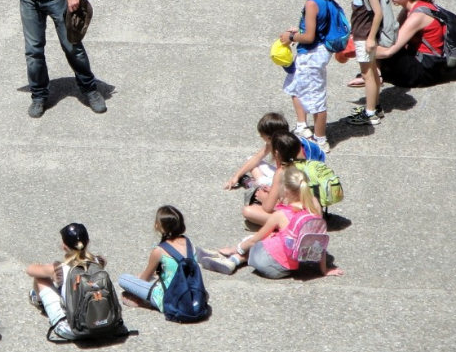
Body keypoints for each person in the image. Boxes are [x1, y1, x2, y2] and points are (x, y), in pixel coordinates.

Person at [199, 167, 344, 279]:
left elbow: (256, 239)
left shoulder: (280, 215)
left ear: (286, 190)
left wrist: (235, 248)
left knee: (262, 238)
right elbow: (319, 241)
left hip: (268, 265)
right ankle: (233, 260)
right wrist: (324, 270)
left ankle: (233, 259)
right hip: (290, 268)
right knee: (280, 235)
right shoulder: (315, 208)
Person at [279, 0, 339, 153]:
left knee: (316, 98)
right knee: (295, 85)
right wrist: (298, 29)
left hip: (311, 55)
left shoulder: (313, 3)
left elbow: (309, 36)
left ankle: (320, 140)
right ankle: (302, 126)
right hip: (317, 52)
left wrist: (290, 37)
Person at [118, 206, 210, 314]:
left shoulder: (159, 251)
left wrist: (139, 277)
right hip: (192, 292)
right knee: (157, 277)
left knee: (123, 279)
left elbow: (144, 279)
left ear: (159, 226)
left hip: (168, 299)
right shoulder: (189, 243)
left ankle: (146, 301)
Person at [25, 223, 105, 340]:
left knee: (40, 278)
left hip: (72, 329)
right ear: (87, 242)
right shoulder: (99, 261)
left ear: (64, 246)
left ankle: (39, 300)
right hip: (104, 322)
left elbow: (30, 270)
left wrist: (49, 270)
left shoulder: (60, 268)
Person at [375, 0, 449, 88]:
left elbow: (389, 51)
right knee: (379, 38)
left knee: (378, 45)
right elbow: (394, 34)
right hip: (427, 63)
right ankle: (377, 73)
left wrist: (362, 50)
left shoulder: (417, 16)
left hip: (426, 72)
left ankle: (376, 74)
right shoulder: (413, 7)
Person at [223, 112, 325, 194]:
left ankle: (255, 184)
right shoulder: (282, 140)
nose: (260, 137)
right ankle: (257, 184)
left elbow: (298, 177)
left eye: (261, 135)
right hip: (287, 173)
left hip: (300, 181)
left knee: (263, 183)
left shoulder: (292, 148)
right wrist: (237, 176)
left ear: (270, 138)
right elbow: (257, 157)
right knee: (251, 160)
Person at [345, 0, 386, 126]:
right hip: (362, 34)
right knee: (372, 72)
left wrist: (370, 38)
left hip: (365, 36)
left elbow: (378, 13)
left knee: (367, 74)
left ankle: (370, 114)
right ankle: (375, 106)